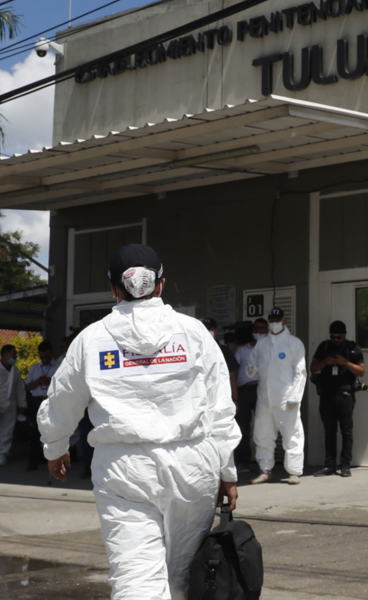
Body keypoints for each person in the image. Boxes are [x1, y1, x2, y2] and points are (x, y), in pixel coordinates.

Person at [38, 244, 239, 600]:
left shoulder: (91, 340)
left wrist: (55, 447)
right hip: (193, 466)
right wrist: (227, 472)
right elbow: (219, 409)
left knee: (136, 576)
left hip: (123, 470)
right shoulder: (194, 335)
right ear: (162, 284)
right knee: (184, 575)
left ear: (113, 288)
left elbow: (61, 402)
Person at [249, 308, 307, 485]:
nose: (274, 323)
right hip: (265, 398)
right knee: (263, 434)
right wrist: (251, 369)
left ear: (284, 321)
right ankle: (265, 470)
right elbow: (252, 362)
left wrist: (295, 396)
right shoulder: (262, 344)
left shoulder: (293, 343)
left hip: (286, 398)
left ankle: (294, 472)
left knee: (292, 434)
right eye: (271, 320)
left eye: (277, 320)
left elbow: (301, 371)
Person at [309, 321, 364, 477]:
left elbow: (361, 371)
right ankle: (330, 465)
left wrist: (345, 362)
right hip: (327, 395)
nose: (336, 340)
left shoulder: (352, 348)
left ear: (344, 335)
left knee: (346, 432)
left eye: (339, 337)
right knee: (329, 432)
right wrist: (325, 362)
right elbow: (313, 368)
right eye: (333, 337)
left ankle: (345, 465)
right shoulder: (324, 347)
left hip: (345, 395)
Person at [24, 342, 56, 472]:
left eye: (47, 357)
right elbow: (27, 387)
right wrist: (37, 382)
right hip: (37, 400)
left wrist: (50, 381)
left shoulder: (58, 367)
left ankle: (54, 460)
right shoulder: (35, 368)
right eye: (42, 357)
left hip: (52, 400)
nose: (45, 360)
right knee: (36, 431)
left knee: (53, 431)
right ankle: (33, 461)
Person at [233, 323, 260, 468]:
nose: (258, 332)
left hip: (261, 391)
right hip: (243, 392)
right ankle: (243, 462)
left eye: (262, 329)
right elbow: (233, 368)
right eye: (256, 329)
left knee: (263, 427)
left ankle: (264, 462)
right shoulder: (242, 349)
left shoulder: (269, 347)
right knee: (242, 428)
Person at [203, 317, 239, 406]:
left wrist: (235, 400)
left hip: (221, 397)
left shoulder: (224, 350)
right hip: (202, 398)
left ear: (216, 331)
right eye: (204, 328)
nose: (207, 331)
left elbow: (232, 377)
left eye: (209, 329)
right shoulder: (194, 350)